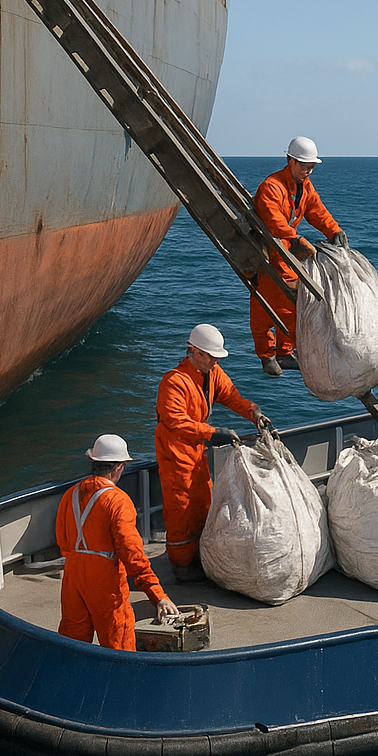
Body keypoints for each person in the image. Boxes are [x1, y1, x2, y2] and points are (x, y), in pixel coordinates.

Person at [155, 323, 271, 582]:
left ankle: (198, 553)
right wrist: (212, 432)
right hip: (175, 452)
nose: (215, 360)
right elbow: (175, 421)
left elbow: (230, 396)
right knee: (181, 506)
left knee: (203, 501)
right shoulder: (174, 382)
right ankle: (180, 564)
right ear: (195, 352)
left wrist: (253, 412)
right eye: (211, 356)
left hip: (196, 449)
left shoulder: (212, 374)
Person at [56, 433, 180, 650]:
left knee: (71, 645)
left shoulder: (70, 495)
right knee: (118, 645)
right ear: (118, 467)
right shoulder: (117, 501)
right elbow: (132, 553)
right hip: (105, 581)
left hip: (73, 577)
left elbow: (62, 541)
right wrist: (158, 595)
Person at [252, 136, 347, 377]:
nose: (309, 171)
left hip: (287, 254)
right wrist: (294, 240)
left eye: (311, 166)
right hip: (267, 254)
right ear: (290, 161)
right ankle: (269, 355)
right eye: (305, 165)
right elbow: (273, 220)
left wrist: (333, 230)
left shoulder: (305, 187)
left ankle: (284, 353)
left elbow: (316, 211)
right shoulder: (271, 187)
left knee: (294, 304)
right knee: (268, 307)